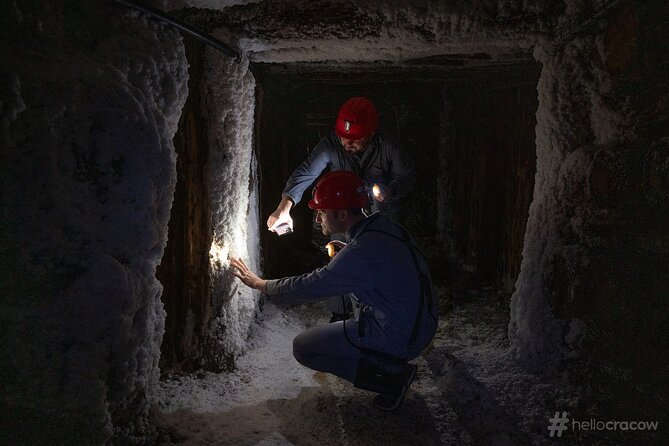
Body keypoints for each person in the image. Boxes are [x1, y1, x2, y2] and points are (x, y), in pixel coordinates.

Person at [232, 171, 437, 411]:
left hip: (401, 336)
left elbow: (310, 285)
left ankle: (393, 377)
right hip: (422, 323)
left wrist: (261, 284)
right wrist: (349, 253)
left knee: (304, 347)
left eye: (322, 213)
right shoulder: (384, 227)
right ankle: (390, 364)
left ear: (341, 214)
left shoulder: (361, 252)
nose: (319, 219)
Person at [266, 96, 416, 322]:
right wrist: (284, 207)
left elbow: (407, 175)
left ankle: (381, 318)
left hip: (380, 220)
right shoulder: (331, 145)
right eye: (343, 137)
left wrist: (391, 190)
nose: (347, 143)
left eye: (355, 139)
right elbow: (306, 172)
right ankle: (340, 316)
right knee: (338, 261)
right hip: (344, 219)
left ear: (372, 133)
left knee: (379, 269)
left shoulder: (389, 147)